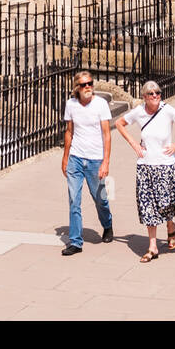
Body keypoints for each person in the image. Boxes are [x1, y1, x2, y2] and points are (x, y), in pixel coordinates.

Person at [116, 81, 175, 262]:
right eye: (151, 94)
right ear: (144, 97)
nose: (155, 96)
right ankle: (152, 247)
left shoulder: (167, 110)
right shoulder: (138, 112)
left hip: (165, 165)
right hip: (145, 165)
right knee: (148, 207)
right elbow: (119, 123)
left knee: (166, 204)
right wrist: (134, 144)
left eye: (158, 93)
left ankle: (171, 226)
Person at [61, 70, 113, 255]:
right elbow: (69, 131)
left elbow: (107, 135)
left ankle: (107, 224)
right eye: (84, 84)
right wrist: (65, 157)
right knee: (74, 200)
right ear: (77, 87)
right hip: (76, 157)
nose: (88, 87)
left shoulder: (100, 104)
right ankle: (75, 242)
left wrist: (105, 162)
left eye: (90, 83)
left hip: (95, 159)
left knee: (101, 199)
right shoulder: (71, 104)